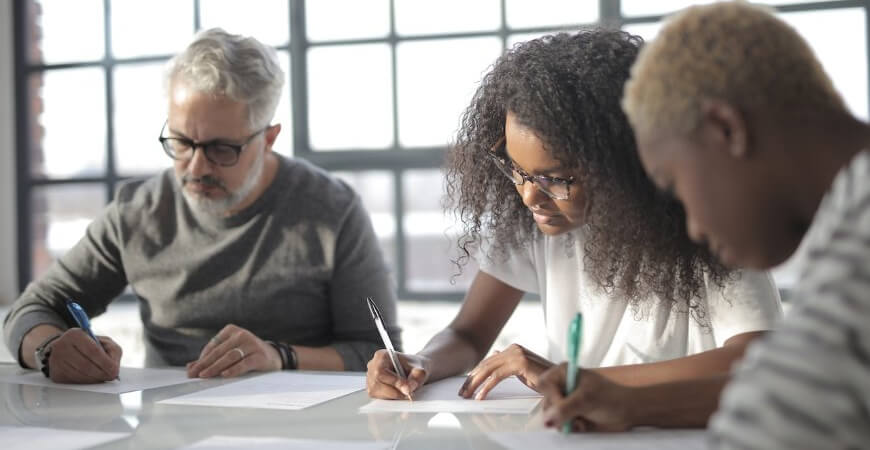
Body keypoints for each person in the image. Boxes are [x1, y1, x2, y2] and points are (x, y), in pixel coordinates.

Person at [366, 29, 781, 430]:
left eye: (556, 178)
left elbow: (757, 357)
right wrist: (423, 362)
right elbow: (469, 332)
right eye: (516, 170)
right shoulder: (530, 219)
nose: (529, 196)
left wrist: (571, 378)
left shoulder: (715, 220)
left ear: (625, 164)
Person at [3, 28, 399, 384]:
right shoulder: (137, 213)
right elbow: (31, 310)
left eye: (220, 149)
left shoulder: (331, 210)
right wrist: (50, 349)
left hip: (298, 429)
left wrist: (280, 356)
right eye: (180, 142)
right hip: (166, 430)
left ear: (269, 138)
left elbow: (378, 353)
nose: (195, 167)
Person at [574, 1, 868, 447]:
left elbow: (774, 430)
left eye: (675, 187)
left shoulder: (860, 244)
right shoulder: (846, 217)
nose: (692, 227)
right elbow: (798, 381)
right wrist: (633, 405)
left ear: (725, 129)